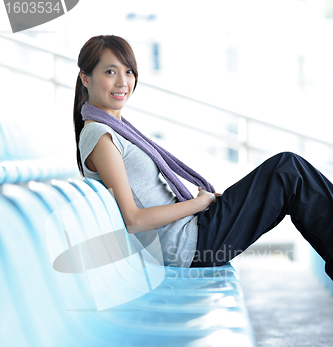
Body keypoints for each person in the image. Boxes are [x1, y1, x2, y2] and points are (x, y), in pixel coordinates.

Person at [73, 35, 333, 279]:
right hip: (189, 246)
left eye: (128, 71)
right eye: (110, 72)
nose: (123, 82)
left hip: (193, 232)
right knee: (287, 171)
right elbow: (133, 220)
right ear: (86, 78)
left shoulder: (115, 128)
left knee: (290, 177)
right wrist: (200, 203)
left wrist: (204, 205)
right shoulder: (101, 136)